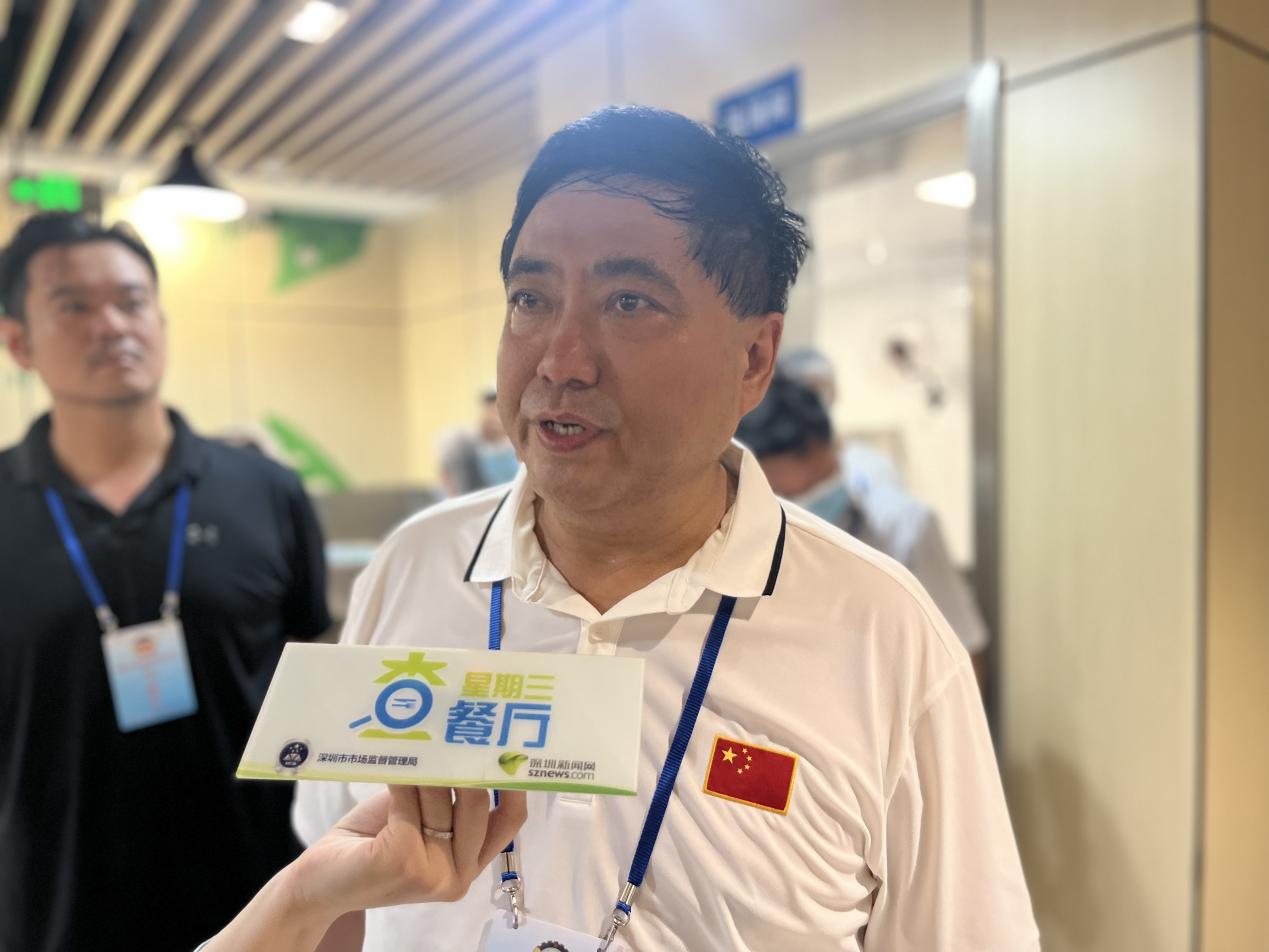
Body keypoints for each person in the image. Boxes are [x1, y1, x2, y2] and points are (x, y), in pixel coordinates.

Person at [287, 105, 1037, 950]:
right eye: (530, 298)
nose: (559, 360)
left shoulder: (884, 634)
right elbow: (336, 884)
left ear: (753, 358)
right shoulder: (415, 566)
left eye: (628, 302)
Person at [0, 213, 332, 952]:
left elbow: (314, 681)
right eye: (74, 306)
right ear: (19, 341)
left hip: (262, 906)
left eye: (132, 301)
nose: (112, 325)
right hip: (54, 907)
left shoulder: (266, 490)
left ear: (160, 319)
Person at [734, 370, 990, 665]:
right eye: (789, 496)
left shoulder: (902, 527)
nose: (811, 503)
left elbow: (963, 651)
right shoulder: (737, 543)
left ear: (836, 448)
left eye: (820, 484)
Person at [437, 387, 520, 496]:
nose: (494, 415)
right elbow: (448, 479)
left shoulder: (518, 446)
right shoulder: (462, 443)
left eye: (499, 409)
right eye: (491, 409)